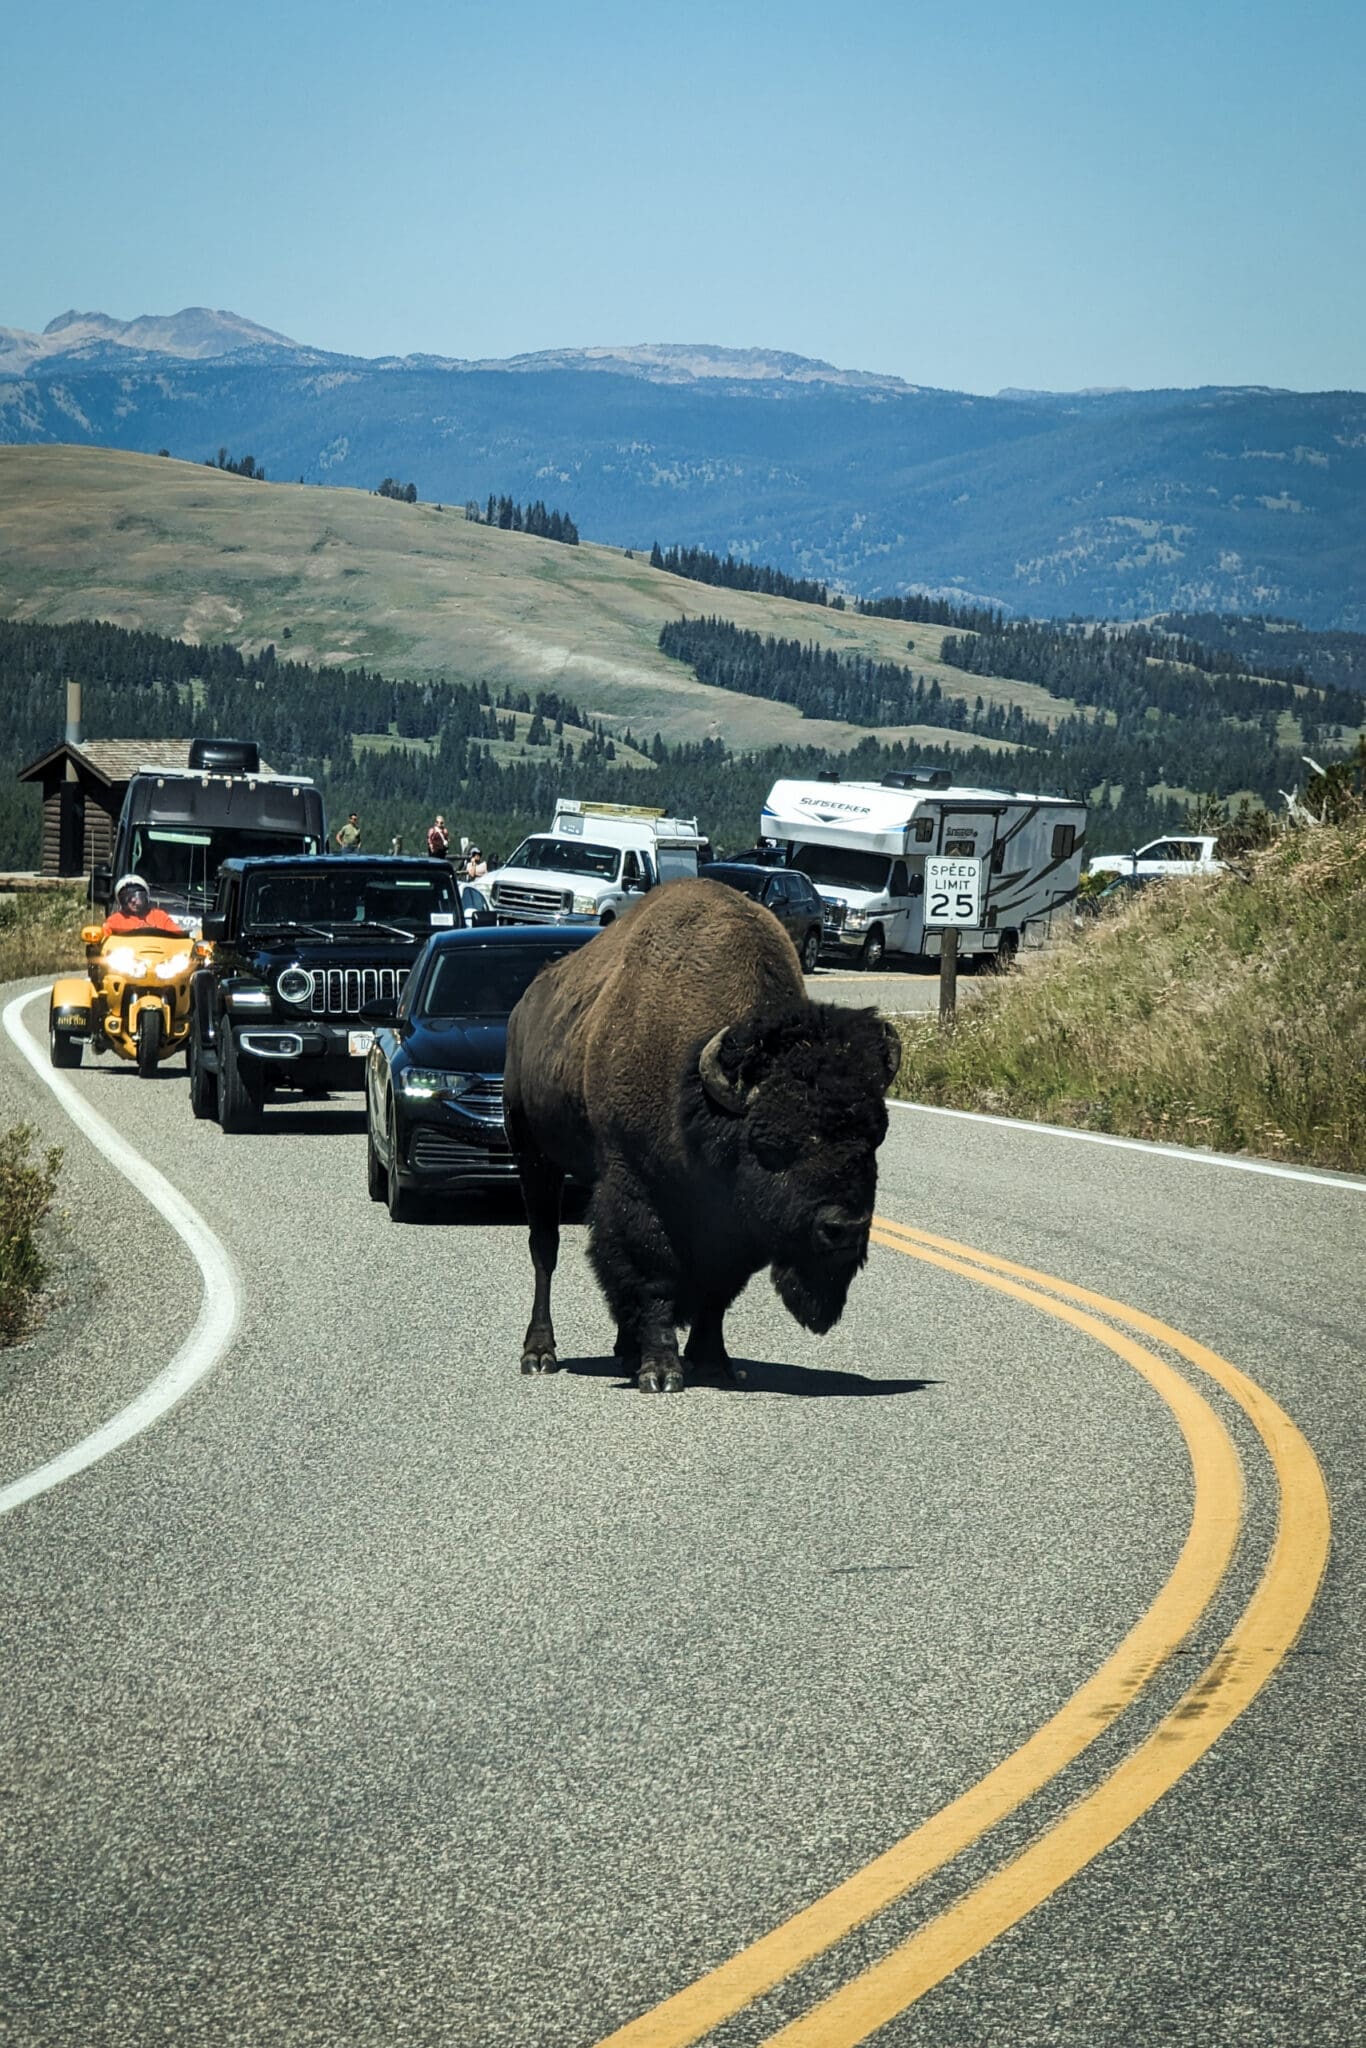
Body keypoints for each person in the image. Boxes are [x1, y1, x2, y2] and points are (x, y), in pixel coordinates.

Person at [103, 873, 181, 936]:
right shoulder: (115, 920)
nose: (133, 900)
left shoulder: (159, 916)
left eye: (137, 895)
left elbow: (179, 936)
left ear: (146, 896)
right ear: (121, 902)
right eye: (126, 898)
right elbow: (103, 938)